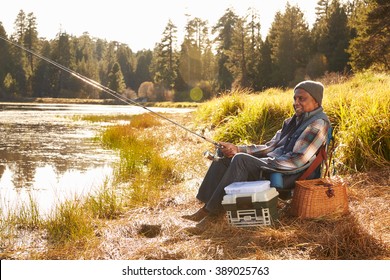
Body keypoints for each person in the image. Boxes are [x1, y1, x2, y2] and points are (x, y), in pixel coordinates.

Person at [182, 80, 331, 229]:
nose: (296, 102)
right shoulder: (292, 121)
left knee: (241, 161)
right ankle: (205, 207)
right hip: (276, 163)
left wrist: (266, 162)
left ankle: (212, 217)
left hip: (291, 173)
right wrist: (237, 149)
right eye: (295, 98)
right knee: (224, 153)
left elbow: (298, 160)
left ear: (316, 102)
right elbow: (270, 146)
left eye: (302, 98)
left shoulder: (318, 123)